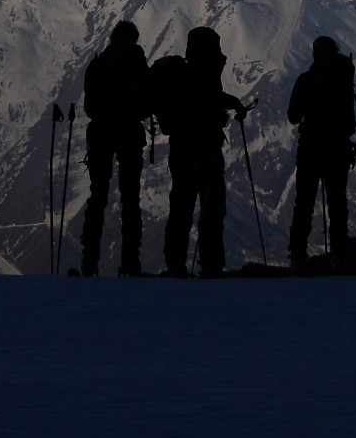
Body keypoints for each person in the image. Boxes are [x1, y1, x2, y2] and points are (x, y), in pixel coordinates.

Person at [163, 25, 248, 279]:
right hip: (203, 148)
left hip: (184, 149)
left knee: (182, 205)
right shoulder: (202, 74)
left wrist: (230, 104)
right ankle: (210, 263)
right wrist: (229, 107)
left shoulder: (187, 74)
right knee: (211, 206)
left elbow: (207, 100)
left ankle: (176, 262)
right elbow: (207, 103)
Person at [79, 20, 150, 276]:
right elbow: (147, 104)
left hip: (101, 134)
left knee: (97, 197)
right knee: (130, 199)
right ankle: (131, 261)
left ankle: (89, 262)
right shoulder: (138, 64)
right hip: (129, 134)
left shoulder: (99, 64)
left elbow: (89, 106)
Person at [285, 36, 356, 272]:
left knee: (304, 203)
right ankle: (339, 254)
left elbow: (293, 116)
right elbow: (349, 121)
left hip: (311, 147)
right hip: (337, 147)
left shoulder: (305, 80)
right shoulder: (343, 81)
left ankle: (298, 255)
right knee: (337, 202)